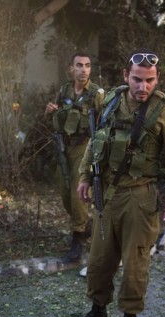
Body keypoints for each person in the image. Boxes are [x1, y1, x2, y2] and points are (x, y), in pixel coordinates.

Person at [68, 50, 165, 317]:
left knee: (135, 264)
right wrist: (85, 177)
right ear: (126, 76)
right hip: (107, 196)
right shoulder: (110, 100)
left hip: (140, 196)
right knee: (98, 261)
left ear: (157, 79)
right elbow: (94, 143)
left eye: (149, 81)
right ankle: (98, 312)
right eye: (137, 79)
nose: (143, 87)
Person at [45, 53, 105, 262]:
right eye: (79, 65)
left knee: (77, 192)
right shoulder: (64, 89)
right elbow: (57, 115)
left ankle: (77, 239)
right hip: (65, 147)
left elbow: (105, 123)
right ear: (71, 68)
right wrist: (51, 110)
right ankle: (85, 226)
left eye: (87, 66)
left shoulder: (97, 93)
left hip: (85, 147)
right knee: (64, 191)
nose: (83, 70)